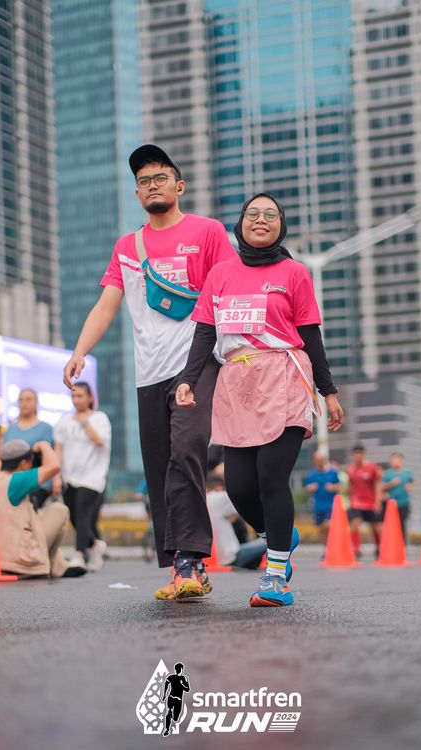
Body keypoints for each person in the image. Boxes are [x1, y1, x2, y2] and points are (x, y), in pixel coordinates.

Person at [62, 144, 235, 600]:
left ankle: (190, 558)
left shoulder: (208, 232)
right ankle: (179, 562)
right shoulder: (127, 247)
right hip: (149, 373)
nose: (152, 185)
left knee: (187, 451)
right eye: (144, 181)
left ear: (179, 185)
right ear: (137, 193)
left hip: (196, 363)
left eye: (160, 177)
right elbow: (107, 303)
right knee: (159, 468)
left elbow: (231, 291)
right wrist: (80, 351)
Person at [176, 193, 343, 607]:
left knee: (271, 478)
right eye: (253, 213)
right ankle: (278, 537)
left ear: (281, 225)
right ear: (241, 223)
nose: (261, 219)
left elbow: (311, 335)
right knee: (238, 487)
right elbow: (204, 332)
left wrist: (329, 392)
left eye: (271, 214)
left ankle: (276, 577)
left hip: (283, 376)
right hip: (237, 383)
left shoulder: (295, 273)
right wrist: (188, 380)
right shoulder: (220, 274)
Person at [0, 439, 86, 578]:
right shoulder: (16, 480)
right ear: (23, 463)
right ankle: (53, 566)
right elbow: (54, 466)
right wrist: (43, 445)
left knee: (34, 516)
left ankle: (58, 565)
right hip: (20, 559)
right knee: (59, 510)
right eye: (31, 461)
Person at [54, 382, 111, 572]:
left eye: (80, 396)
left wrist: (84, 422)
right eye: (73, 396)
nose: (76, 400)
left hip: (92, 476)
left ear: (90, 397)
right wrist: (57, 475)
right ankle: (94, 545)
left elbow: (100, 441)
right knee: (73, 515)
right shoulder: (64, 421)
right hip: (69, 476)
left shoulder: (100, 418)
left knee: (82, 512)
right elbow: (59, 448)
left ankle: (79, 554)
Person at [4, 388, 55, 508]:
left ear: (36, 402)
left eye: (28, 399)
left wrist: (56, 479)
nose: (24, 403)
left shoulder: (46, 428)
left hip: (36, 482)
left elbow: (52, 458)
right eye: (21, 400)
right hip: (12, 483)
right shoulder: (11, 429)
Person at [206, 473, 266, 569]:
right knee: (275, 538)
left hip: (213, 559)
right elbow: (245, 502)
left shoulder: (201, 501)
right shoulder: (217, 497)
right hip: (232, 556)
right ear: (218, 487)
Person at [347, 445, 382, 559]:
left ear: (363, 454)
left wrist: (378, 501)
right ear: (353, 455)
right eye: (355, 454)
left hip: (371, 503)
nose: (357, 456)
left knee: (376, 527)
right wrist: (349, 499)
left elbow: (377, 485)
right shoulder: (350, 469)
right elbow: (350, 486)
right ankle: (355, 549)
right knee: (354, 524)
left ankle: (379, 548)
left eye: (360, 454)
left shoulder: (372, 468)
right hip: (356, 503)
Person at [304, 452, 340, 554]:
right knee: (321, 529)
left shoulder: (333, 472)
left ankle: (332, 547)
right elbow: (307, 487)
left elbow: (339, 486)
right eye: (317, 460)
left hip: (330, 505)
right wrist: (310, 488)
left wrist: (333, 487)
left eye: (321, 460)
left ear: (324, 460)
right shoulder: (312, 474)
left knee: (327, 525)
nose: (319, 462)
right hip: (318, 505)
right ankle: (327, 549)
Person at [381, 452, 415, 542]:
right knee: (390, 525)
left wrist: (410, 486)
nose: (396, 461)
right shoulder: (387, 474)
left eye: (397, 459)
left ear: (402, 461)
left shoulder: (407, 473)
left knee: (402, 525)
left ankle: (402, 545)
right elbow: (381, 487)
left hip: (404, 503)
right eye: (393, 459)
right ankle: (390, 543)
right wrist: (391, 484)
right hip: (390, 504)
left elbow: (413, 482)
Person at [162, 663, 190, 737]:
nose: (178, 670)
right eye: (177, 669)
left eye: (179, 669)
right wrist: (164, 694)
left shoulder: (184, 678)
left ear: (181, 669)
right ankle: (167, 729)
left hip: (178, 700)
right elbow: (166, 684)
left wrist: (181, 684)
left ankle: (171, 715)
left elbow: (187, 689)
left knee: (175, 719)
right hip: (172, 697)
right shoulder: (171, 677)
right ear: (176, 669)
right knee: (169, 711)